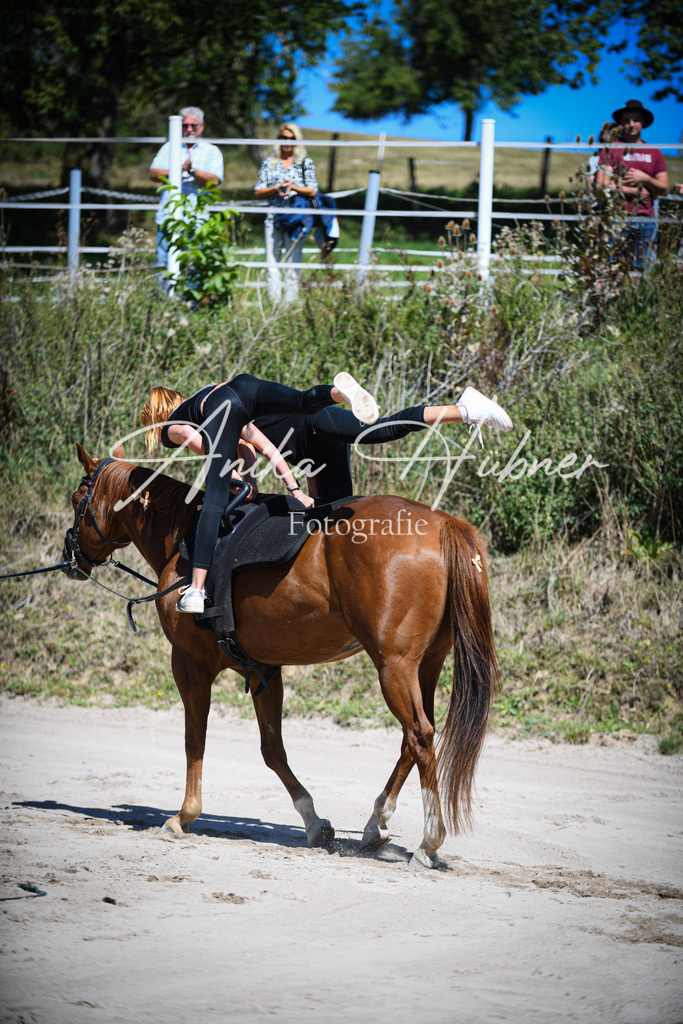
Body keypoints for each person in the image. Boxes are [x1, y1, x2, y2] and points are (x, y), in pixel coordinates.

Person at [141, 371, 379, 613]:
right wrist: (270, 485)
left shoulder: (170, 427)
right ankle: (336, 393)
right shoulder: (202, 401)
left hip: (227, 417)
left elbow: (203, 447)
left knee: (213, 505)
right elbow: (251, 446)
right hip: (243, 388)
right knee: (301, 401)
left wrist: (231, 476)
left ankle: (196, 589)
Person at [251, 387, 513, 503]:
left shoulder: (227, 416)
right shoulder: (227, 415)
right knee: (332, 513)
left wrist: (292, 491)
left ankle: (465, 409)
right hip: (315, 453)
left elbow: (253, 469)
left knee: (384, 429)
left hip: (318, 423)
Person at [595, 99, 669, 272]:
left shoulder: (654, 153)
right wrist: (634, 192)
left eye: (635, 120)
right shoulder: (611, 149)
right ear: (621, 123)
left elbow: (664, 188)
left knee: (639, 269)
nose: (631, 124)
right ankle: (606, 298)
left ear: (643, 123)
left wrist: (645, 179)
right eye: (627, 121)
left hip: (647, 218)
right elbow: (601, 185)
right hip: (617, 216)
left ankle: (634, 299)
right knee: (609, 266)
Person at [149, 107, 224, 272]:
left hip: (196, 219)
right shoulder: (169, 147)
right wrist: (176, 170)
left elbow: (214, 180)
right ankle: (163, 298)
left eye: (193, 125)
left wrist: (192, 171)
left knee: (193, 267)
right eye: (185, 126)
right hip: (167, 217)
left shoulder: (212, 151)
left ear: (202, 126)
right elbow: (154, 173)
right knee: (163, 264)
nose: (189, 130)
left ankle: (189, 299)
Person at [253, 123, 319, 305]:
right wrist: (275, 188)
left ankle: (289, 306)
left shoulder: (305, 162)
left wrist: (293, 187)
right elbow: (258, 191)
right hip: (273, 218)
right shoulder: (269, 163)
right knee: (272, 264)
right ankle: (273, 305)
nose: (287, 142)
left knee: (292, 265)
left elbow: (313, 190)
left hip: (296, 219)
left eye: (291, 139)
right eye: (283, 138)